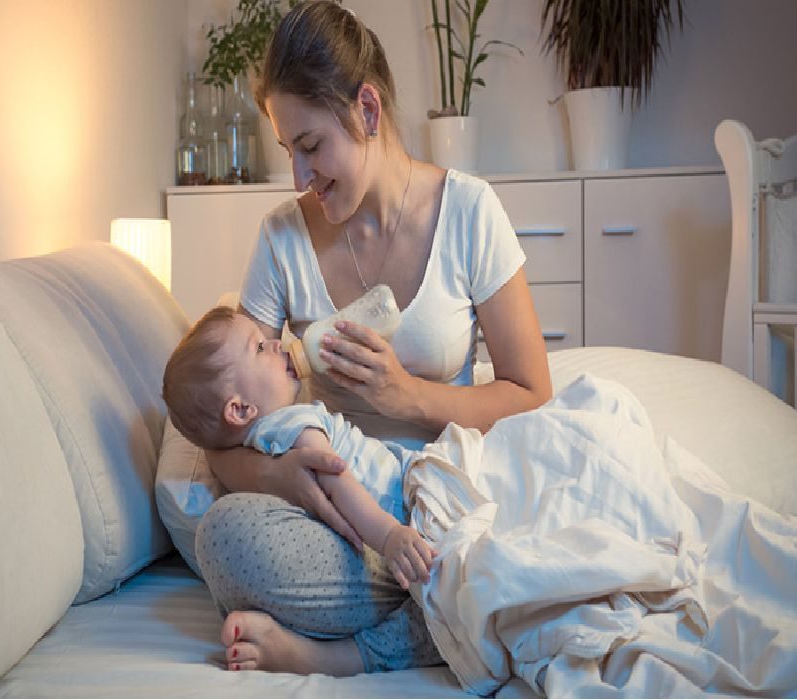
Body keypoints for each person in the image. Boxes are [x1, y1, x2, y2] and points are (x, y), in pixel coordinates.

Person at [194, 0, 552, 677]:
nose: (300, 179)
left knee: (506, 545)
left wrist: (409, 396)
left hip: (443, 502)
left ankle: (347, 647)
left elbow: (533, 393)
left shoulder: (469, 211)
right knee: (224, 537)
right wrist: (285, 477)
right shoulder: (280, 238)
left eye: (310, 148)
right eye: (288, 153)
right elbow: (226, 441)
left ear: (366, 109)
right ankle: (446, 609)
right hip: (338, 524)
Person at [163, 305, 438, 591]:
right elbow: (337, 480)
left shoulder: (261, 443)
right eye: (259, 347)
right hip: (406, 497)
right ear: (241, 409)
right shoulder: (291, 423)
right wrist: (389, 536)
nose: (276, 342)